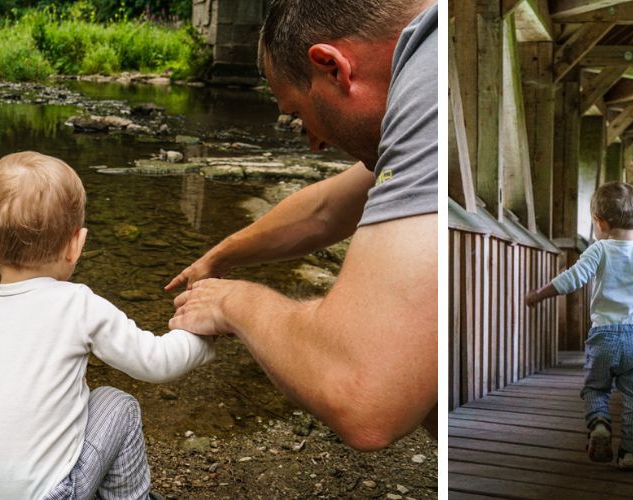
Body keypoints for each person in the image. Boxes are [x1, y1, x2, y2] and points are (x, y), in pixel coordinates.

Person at [165, 0, 438, 451]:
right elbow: (328, 208)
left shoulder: (425, 79)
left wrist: (233, 301)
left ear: (332, 67)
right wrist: (221, 255)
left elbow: (364, 399)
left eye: (296, 111)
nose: (313, 143)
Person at [0, 152, 215, 499]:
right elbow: (156, 362)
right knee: (118, 404)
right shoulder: (78, 304)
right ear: (76, 245)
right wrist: (204, 335)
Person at [525, 181, 633, 471]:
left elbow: (571, 279)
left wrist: (538, 295)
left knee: (596, 388)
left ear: (599, 222)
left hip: (604, 337)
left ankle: (599, 422)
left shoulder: (599, 251)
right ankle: (630, 453)